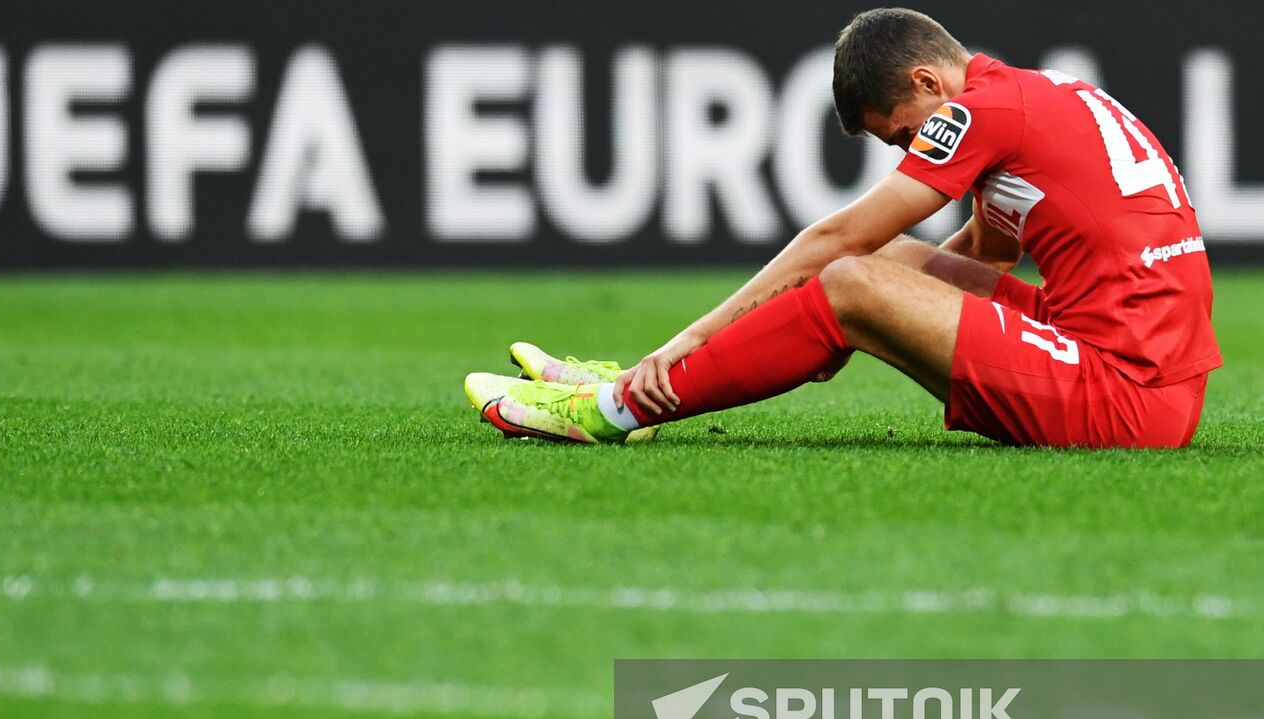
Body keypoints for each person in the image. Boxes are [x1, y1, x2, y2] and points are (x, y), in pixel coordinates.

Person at [464, 7, 1221, 448]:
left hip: (1127, 394)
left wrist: (694, 336)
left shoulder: (977, 113)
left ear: (928, 83)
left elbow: (835, 244)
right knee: (880, 267)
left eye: (901, 134)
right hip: (1134, 364)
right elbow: (989, 253)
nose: (910, 150)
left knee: (853, 272)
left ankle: (619, 405)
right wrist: (856, 319)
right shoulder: (1033, 96)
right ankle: (639, 377)